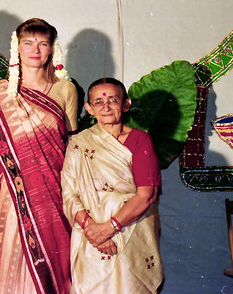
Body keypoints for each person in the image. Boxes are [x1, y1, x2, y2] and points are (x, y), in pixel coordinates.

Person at [0, 18, 76, 294]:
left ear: (52, 49)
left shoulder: (65, 89)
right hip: (12, 194)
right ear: (16, 47)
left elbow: (72, 147)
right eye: (28, 43)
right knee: (10, 264)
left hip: (55, 193)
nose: (35, 50)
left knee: (56, 266)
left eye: (43, 44)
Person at [61, 78, 163, 293]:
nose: (105, 107)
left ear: (125, 105)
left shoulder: (140, 140)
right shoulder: (78, 144)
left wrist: (110, 228)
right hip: (90, 233)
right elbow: (69, 194)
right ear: (89, 108)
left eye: (113, 100)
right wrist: (93, 231)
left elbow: (146, 195)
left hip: (130, 229)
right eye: (98, 102)